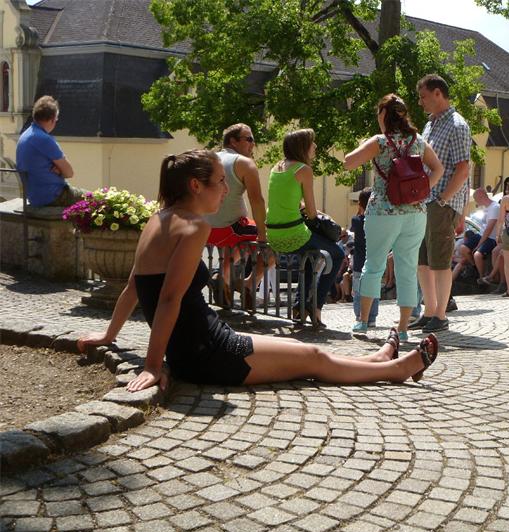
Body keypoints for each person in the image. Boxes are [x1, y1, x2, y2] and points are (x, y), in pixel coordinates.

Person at [76, 150, 439, 392]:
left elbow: (134, 288)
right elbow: (168, 298)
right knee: (311, 359)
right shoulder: (193, 226)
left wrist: (109, 336)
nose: (226, 189)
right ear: (195, 185)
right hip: (207, 354)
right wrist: (153, 366)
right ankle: (395, 370)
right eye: (220, 181)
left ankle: (376, 359)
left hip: (202, 342)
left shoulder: (158, 219)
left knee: (299, 349)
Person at [343, 94, 444, 339]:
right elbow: (438, 169)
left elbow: (348, 163)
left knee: (374, 265)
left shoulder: (379, 142)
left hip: (383, 211)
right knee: (407, 268)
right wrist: (422, 191)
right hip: (415, 212)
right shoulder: (418, 141)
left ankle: (363, 321)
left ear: (383, 115)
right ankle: (403, 328)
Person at [410, 74, 471, 333]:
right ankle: (430, 311)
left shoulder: (457, 125)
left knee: (440, 261)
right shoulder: (430, 125)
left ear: (438, 93)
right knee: (422, 260)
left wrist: (444, 199)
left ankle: (441, 315)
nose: (420, 102)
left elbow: (463, 169)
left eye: (423, 96)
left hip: (440, 203)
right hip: (425, 202)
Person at [265, 129, 344, 325]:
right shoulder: (303, 170)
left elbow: (288, 201)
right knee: (337, 254)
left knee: (311, 256)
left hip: (273, 234)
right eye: (312, 142)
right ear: (302, 147)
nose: (315, 146)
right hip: (293, 233)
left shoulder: (276, 168)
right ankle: (316, 306)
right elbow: (311, 212)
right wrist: (326, 219)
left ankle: (300, 306)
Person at [206, 123, 269, 305]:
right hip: (231, 228)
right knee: (273, 242)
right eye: (249, 139)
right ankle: (248, 282)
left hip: (204, 228)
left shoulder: (208, 159)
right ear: (233, 141)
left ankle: (223, 278)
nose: (253, 144)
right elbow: (257, 201)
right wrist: (263, 236)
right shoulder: (244, 163)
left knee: (241, 242)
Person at [16, 95, 84, 207]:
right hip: (52, 196)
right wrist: (60, 170)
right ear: (52, 119)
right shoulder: (44, 139)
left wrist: (59, 169)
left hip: (35, 196)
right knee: (96, 199)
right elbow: (69, 173)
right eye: (56, 119)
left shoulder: (26, 135)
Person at [349, 189, 379, 327]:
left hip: (359, 262)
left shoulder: (356, 220)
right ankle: (372, 318)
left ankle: (360, 317)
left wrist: (360, 210)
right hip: (374, 260)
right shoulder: (378, 222)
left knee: (358, 291)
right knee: (373, 289)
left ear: (360, 204)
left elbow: (355, 227)